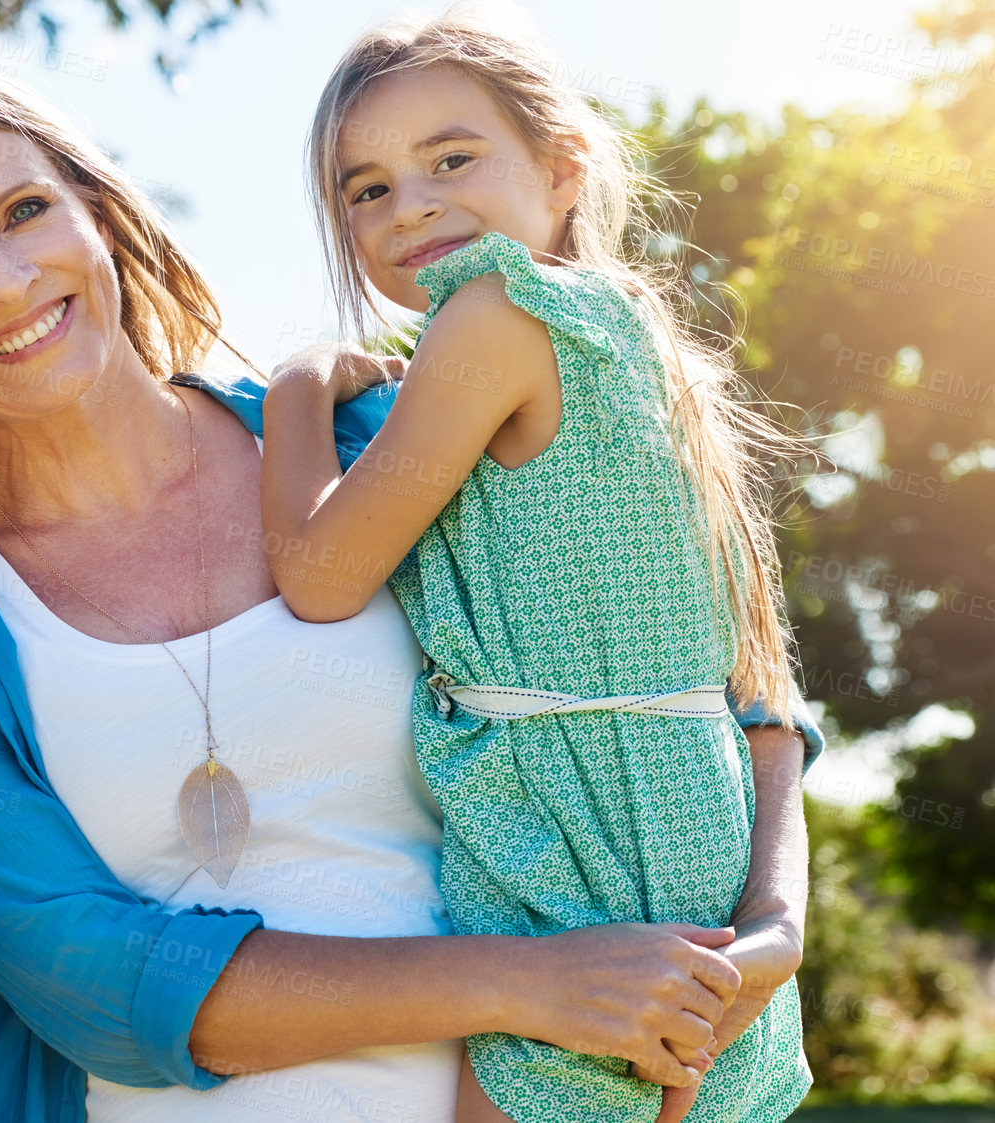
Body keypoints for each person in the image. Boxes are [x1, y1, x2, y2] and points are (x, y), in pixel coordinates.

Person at [0, 45, 817, 1123]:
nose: (6, 280)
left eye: (25, 211)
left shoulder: (385, 445)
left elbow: (734, 678)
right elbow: (87, 975)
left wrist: (773, 926)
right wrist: (533, 982)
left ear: (96, 213)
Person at [257, 11, 814, 1122]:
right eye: (364, 189)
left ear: (565, 169)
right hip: (708, 880)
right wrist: (779, 926)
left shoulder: (497, 312)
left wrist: (299, 388)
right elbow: (768, 704)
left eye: (450, 159)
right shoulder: (646, 349)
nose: (407, 204)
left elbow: (318, 576)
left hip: (585, 881)